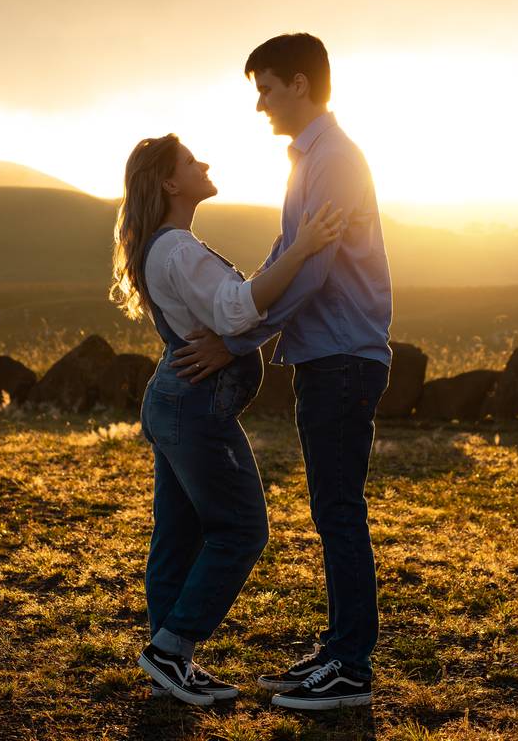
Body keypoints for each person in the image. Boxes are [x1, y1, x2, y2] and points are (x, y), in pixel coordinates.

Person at [171, 33, 393, 710]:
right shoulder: (310, 160)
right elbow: (286, 253)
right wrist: (239, 314)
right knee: (333, 509)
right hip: (329, 357)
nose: (261, 103)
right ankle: (338, 651)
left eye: (266, 87)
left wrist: (240, 341)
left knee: (338, 509)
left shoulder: (334, 160)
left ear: (300, 84)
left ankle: (351, 667)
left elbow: (314, 269)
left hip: (343, 357)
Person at [110, 132, 342, 706]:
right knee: (241, 529)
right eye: (190, 161)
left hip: (175, 402)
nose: (203, 163)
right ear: (169, 182)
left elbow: (226, 310)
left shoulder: (167, 246)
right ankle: (172, 648)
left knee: (180, 532)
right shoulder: (179, 250)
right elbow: (237, 312)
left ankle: (169, 660)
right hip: (195, 407)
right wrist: (303, 248)